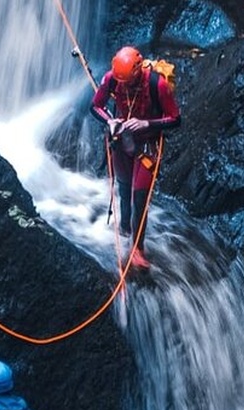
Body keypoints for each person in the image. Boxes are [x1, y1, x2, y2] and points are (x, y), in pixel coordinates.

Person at [91, 46, 181, 269]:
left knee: (139, 196)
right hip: (123, 140)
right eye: (122, 83)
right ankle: (124, 228)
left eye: (129, 82)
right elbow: (95, 106)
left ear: (138, 71)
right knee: (124, 186)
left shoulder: (156, 84)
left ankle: (137, 249)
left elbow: (176, 119)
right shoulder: (113, 79)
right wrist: (110, 121)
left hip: (148, 145)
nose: (125, 86)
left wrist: (147, 123)